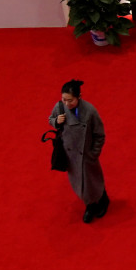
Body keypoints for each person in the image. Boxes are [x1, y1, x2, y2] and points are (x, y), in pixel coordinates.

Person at [48, 78, 107, 221]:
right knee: (79, 181)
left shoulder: (90, 111)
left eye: (70, 100)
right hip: (70, 155)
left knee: (92, 180)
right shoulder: (59, 107)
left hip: (86, 155)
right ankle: (91, 203)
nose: (67, 104)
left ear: (79, 97)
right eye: (64, 99)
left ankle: (99, 201)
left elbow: (99, 135)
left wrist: (94, 153)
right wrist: (56, 121)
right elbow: (50, 119)